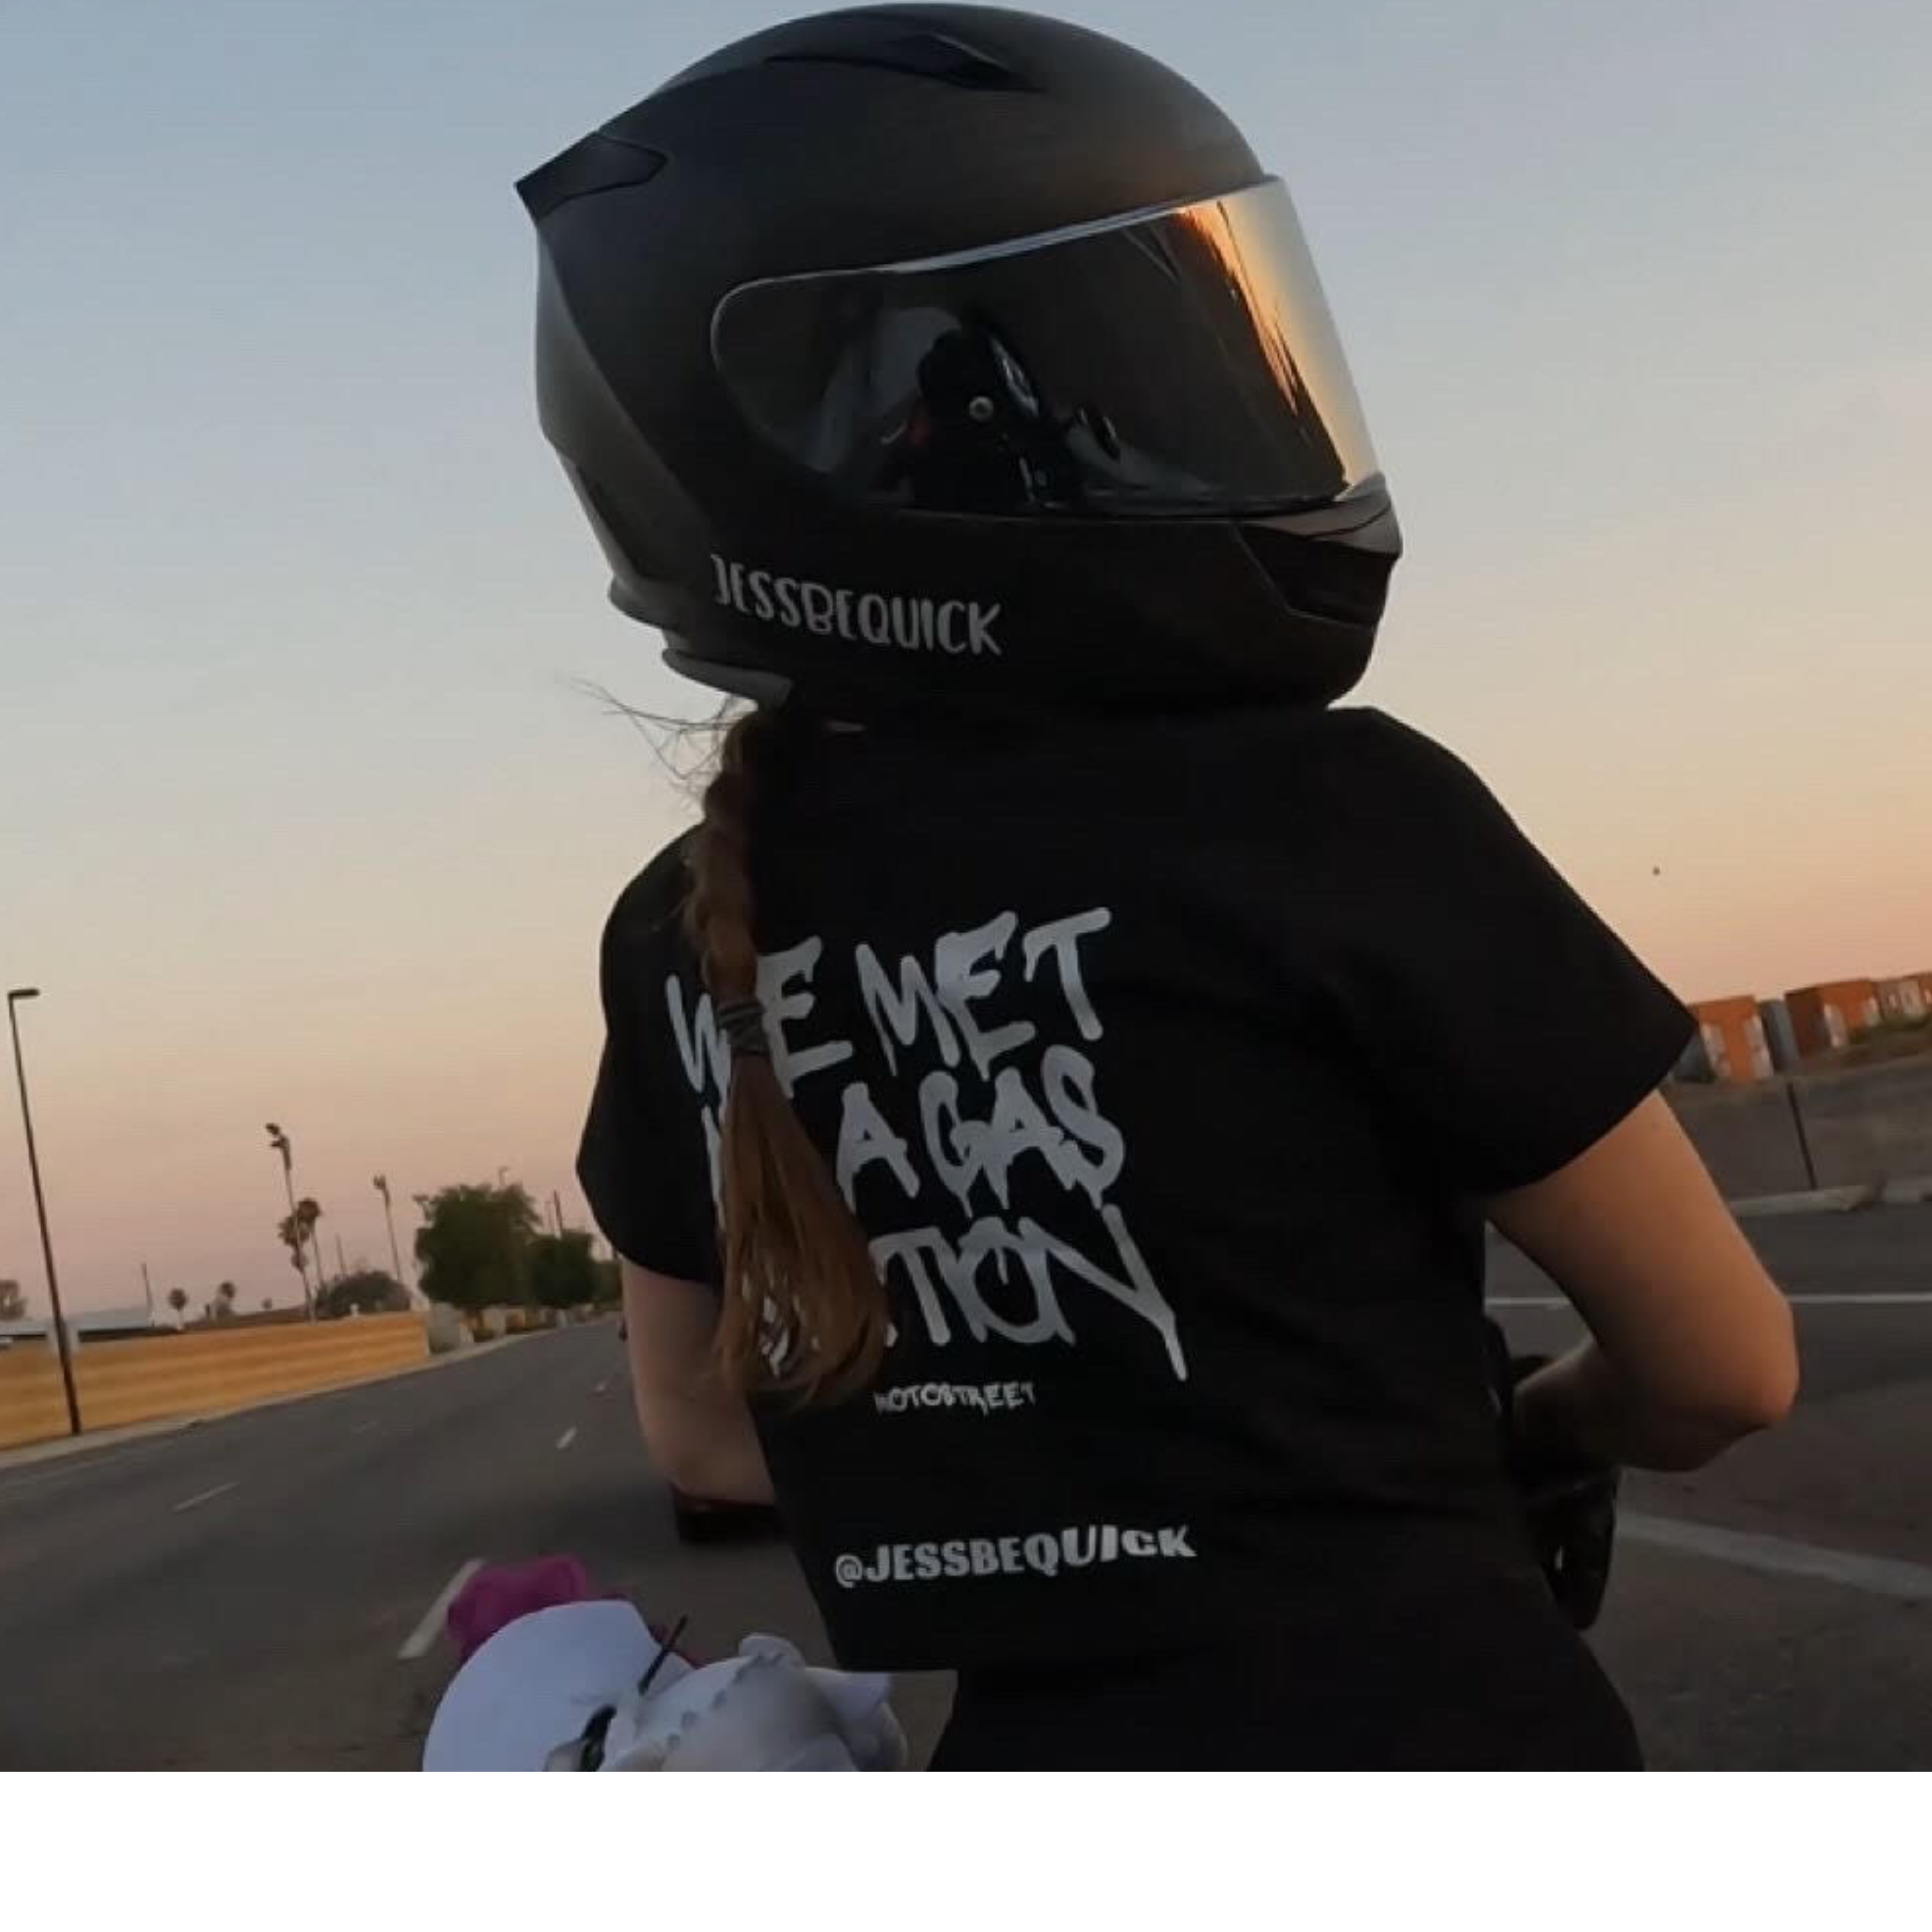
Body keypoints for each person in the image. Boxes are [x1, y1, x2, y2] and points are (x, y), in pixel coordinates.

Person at [518, 5, 1798, 1769]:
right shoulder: (1336, 810)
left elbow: (707, 1431)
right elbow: (1721, 1362)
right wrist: (1517, 1427)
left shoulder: (675, 933)